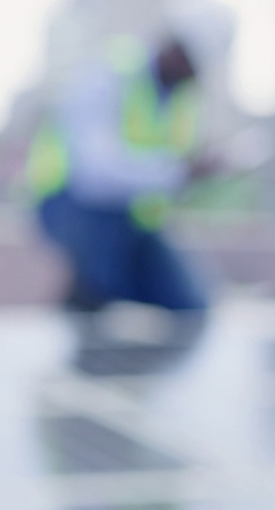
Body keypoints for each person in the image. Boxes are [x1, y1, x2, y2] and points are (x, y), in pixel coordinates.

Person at [27, 35, 212, 372]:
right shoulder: (110, 75)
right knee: (100, 285)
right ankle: (88, 296)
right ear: (173, 47)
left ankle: (99, 300)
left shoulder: (181, 99)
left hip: (137, 221)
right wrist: (175, 173)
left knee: (189, 303)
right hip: (72, 205)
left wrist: (193, 172)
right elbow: (95, 173)